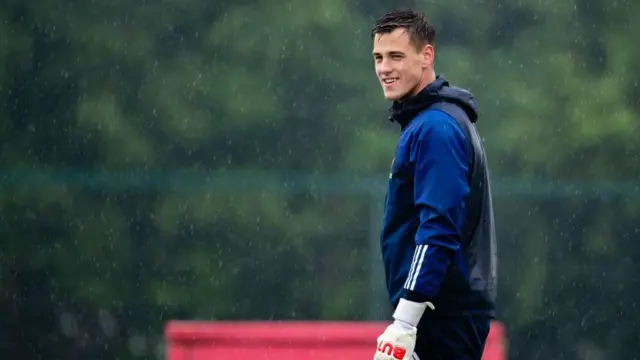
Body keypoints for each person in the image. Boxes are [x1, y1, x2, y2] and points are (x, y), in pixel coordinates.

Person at [370, 9, 498, 360]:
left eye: (396, 56)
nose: (384, 68)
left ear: (427, 56)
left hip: (440, 315)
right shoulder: (431, 121)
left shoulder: (435, 128)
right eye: (378, 58)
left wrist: (405, 322)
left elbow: (438, 228)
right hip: (438, 310)